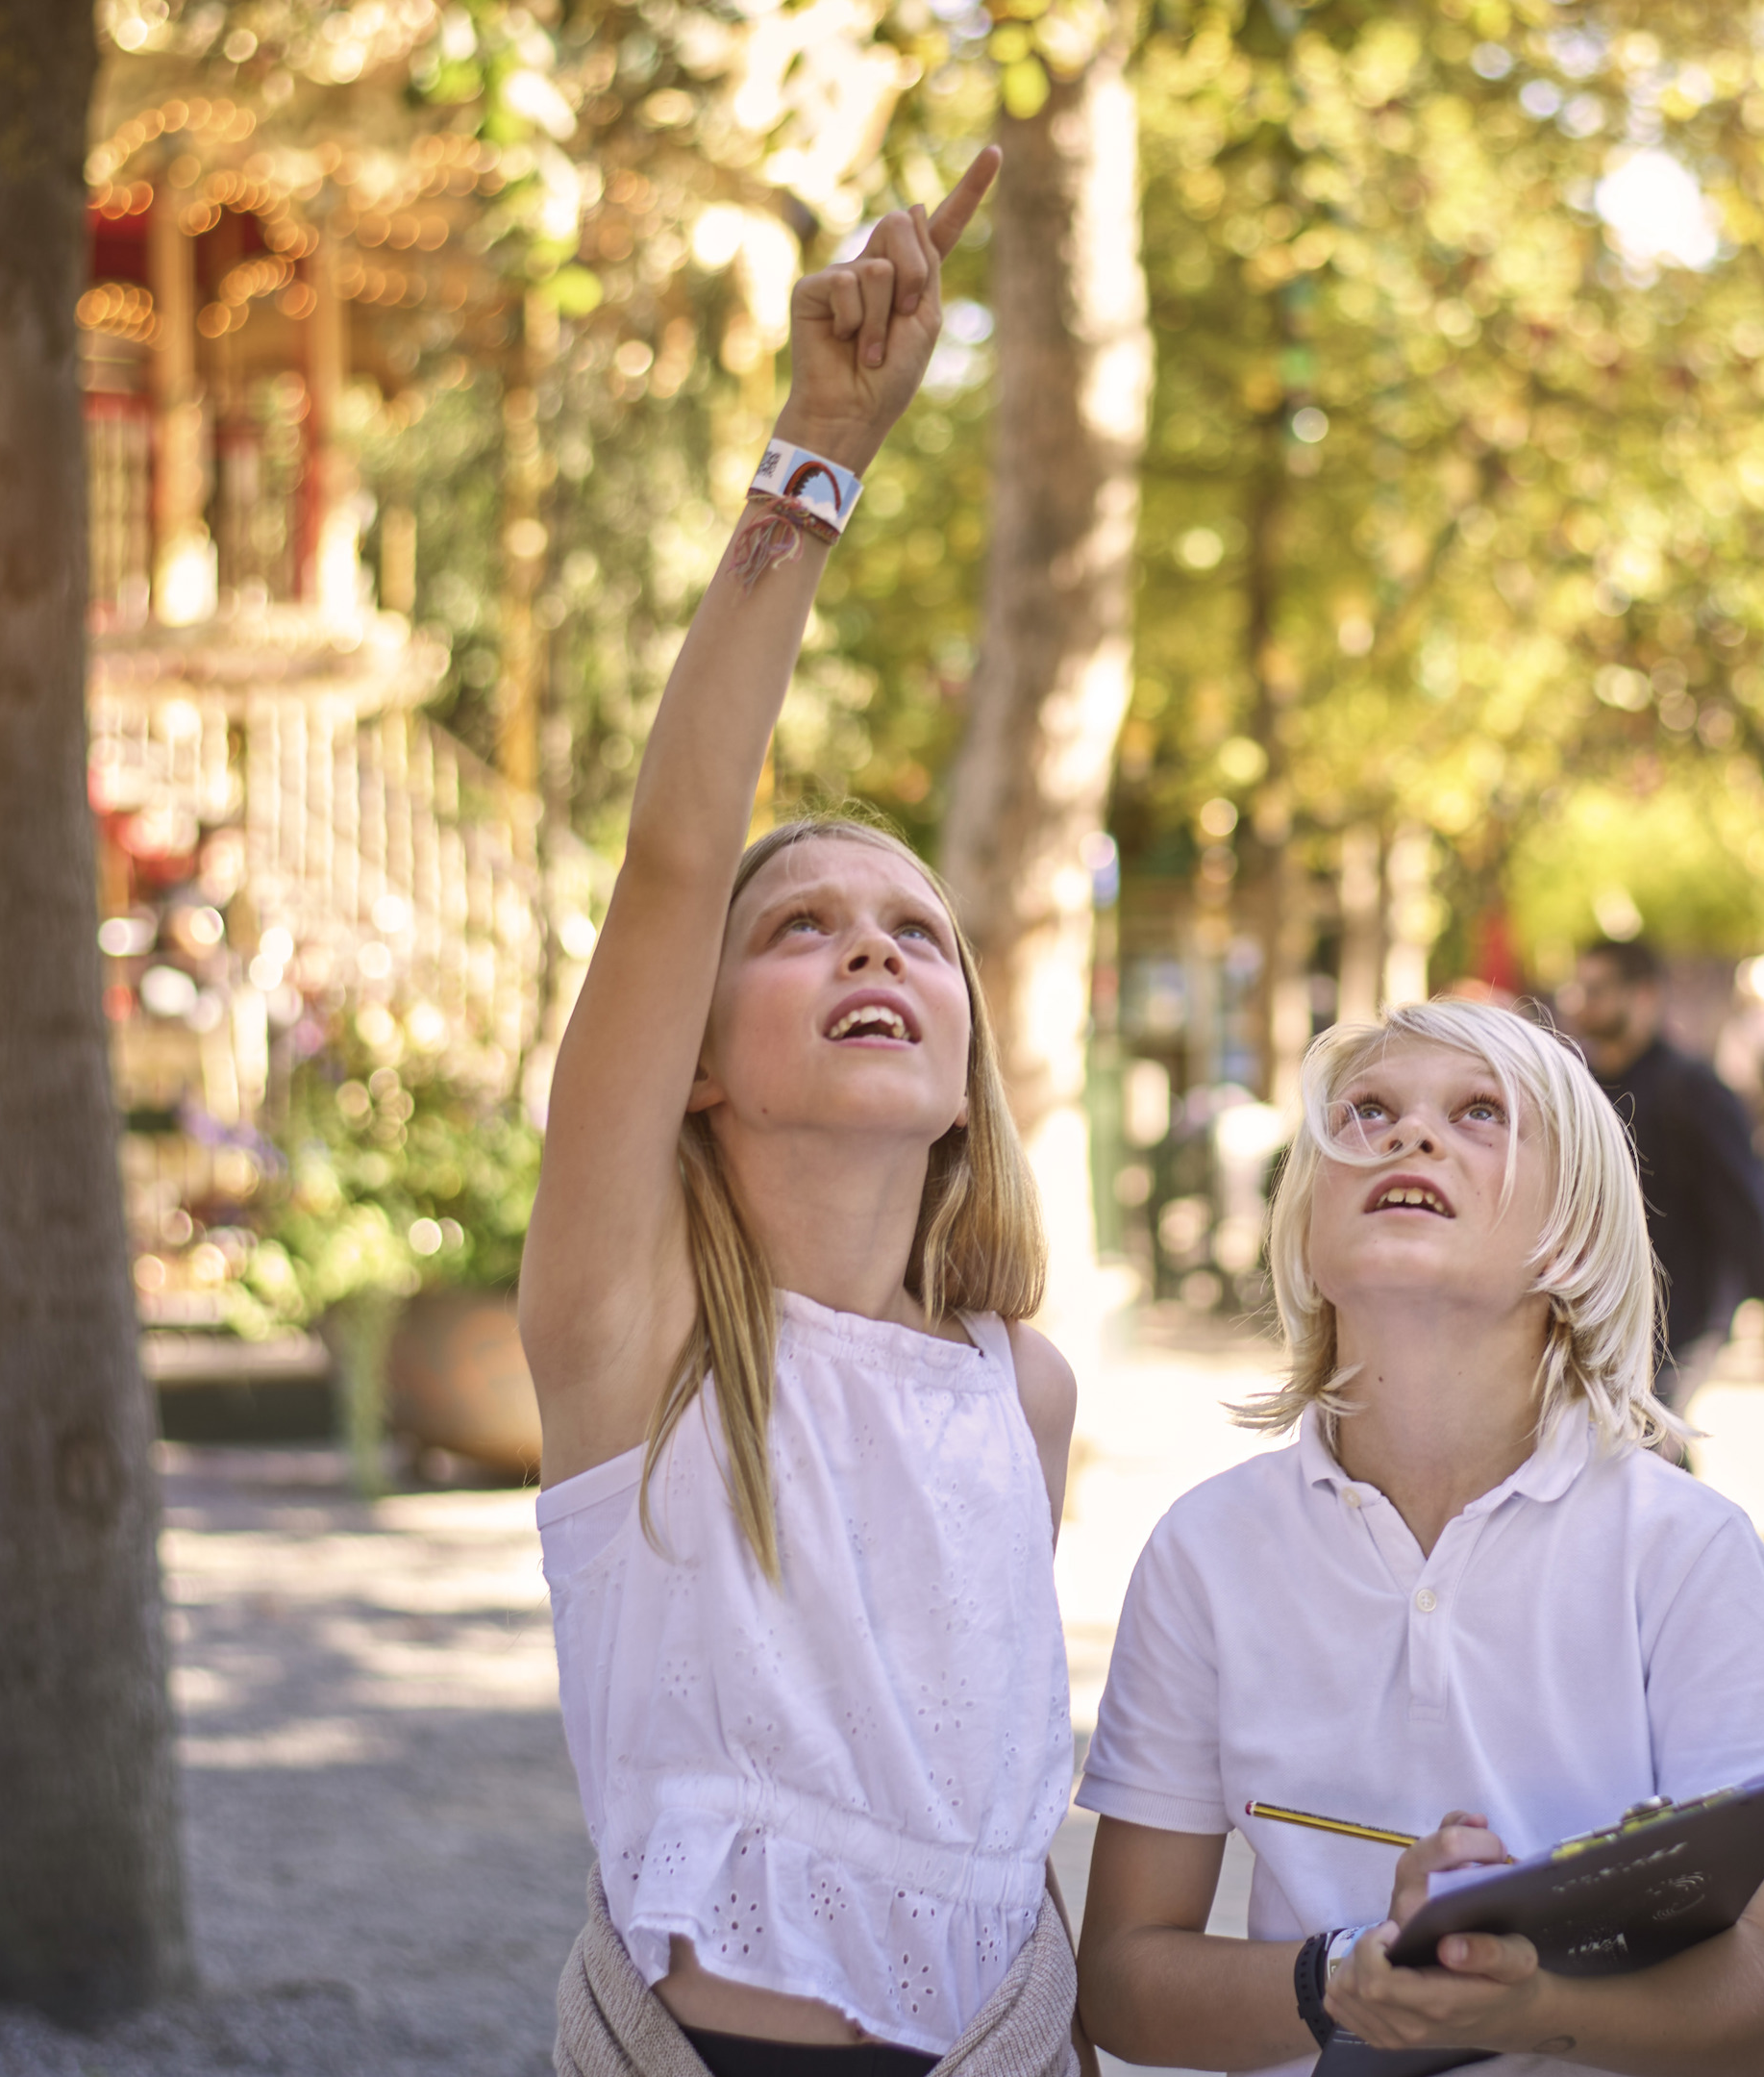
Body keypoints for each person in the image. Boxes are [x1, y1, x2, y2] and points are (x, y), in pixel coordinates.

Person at [517, 149, 1088, 2077]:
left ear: (963, 1067)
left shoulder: (1023, 1391)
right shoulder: (639, 1337)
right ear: (696, 1045)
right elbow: (679, 855)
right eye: (805, 929)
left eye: (918, 934)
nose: (874, 951)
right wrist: (816, 459)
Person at [1075, 998, 1764, 2077]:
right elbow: (1119, 1978)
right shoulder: (1203, 1550)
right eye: (1367, 1112)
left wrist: (1527, 2006)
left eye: (1481, 1114)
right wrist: (1341, 1977)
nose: (1411, 1134)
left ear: (1574, 1237)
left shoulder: (1688, 1550)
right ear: (1304, 1227)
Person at [1557, 940, 1764, 1425]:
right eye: (1580, 989)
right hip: (1594, 1305)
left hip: (1683, 1310)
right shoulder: (1575, 1086)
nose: (1584, 1003)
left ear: (1643, 995)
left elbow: (1747, 1202)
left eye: (1598, 989)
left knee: (1652, 1431)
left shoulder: (1694, 1090)